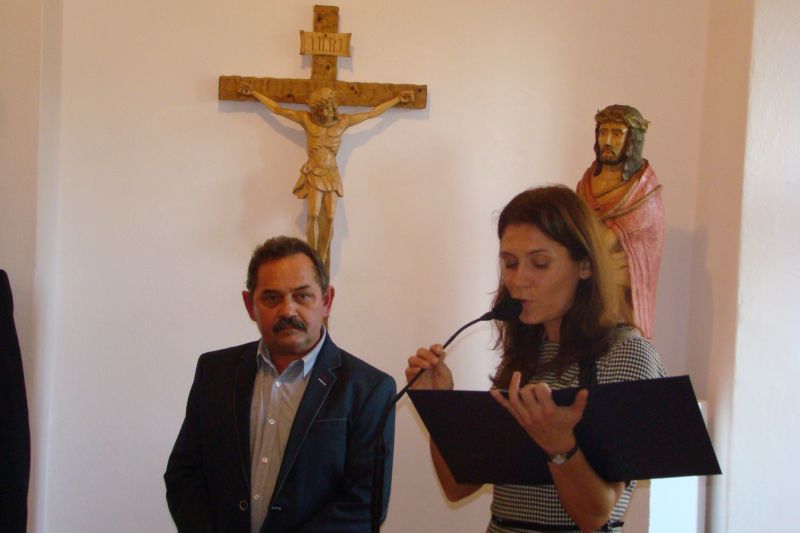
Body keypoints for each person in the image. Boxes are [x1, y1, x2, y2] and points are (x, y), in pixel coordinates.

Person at [406, 186, 665, 532]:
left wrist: (559, 446)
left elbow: (595, 515)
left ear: (585, 265)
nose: (518, 280)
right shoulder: (526, 353)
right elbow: (458, 486)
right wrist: (439, 407)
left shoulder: (626, 353)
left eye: (539, 263)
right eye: (510, 264)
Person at [164, 236, 396, 532]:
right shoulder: (215, 372)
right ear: (249, 305)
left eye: (302, 296)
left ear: (326, 301)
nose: (288, 311)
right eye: (272, 298)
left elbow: (363, 505)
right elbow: (184, 474)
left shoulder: (369, 389)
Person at [239, 85, 414, 269]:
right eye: (322, 109)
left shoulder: (343, 122)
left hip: (331, 173)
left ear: (333, 107)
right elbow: (278, 110)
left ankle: (322, 253)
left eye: (329, 108)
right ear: (316, 110)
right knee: (313, 214)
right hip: (314, 172)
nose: (326, 113)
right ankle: (312, 252)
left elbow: (372, 114)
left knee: (329, 216)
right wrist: (254, 93)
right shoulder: (307, 120)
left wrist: (397, 100)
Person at [575, 104, 664, 339]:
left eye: (617, 134)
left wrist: (595, 244)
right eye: (603, 132)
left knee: (616, 337)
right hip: (587, 277)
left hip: (622, 282)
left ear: (632, 139)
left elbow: (628, 233)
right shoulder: (586, 182)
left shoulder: (644, 190)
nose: (607, 141)